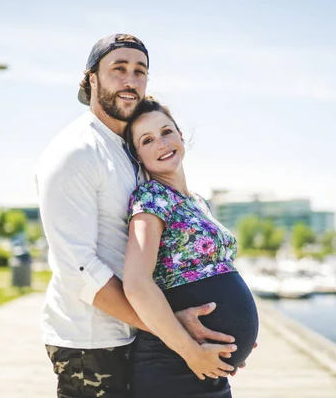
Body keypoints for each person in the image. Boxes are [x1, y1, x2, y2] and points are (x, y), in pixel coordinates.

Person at [36, 34, 239, 398]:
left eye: (140, 71)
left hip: (139, 335)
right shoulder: (75, 152)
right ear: (92, 79)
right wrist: (174, 332)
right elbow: (78, 269)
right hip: (92, 341)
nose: (131, 80)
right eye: (119, 69)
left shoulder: (129, 150)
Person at [123, 97, 260, 398]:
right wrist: (190, 351)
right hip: (174, 363)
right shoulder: (150, 198)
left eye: (166, 131)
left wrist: (240, 339)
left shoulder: (199, 202)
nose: (161, 143)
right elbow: (136, 284)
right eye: (147, 140)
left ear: (180, 135)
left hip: (208, 367)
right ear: (138, 156)